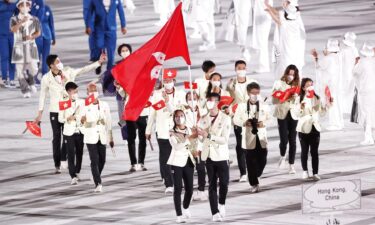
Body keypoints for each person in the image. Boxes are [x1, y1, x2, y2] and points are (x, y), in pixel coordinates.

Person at [35, 53, 106, 173]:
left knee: (68, 135)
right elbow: (42, 95)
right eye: (57, 62)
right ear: (51, 65)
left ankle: (64, 158)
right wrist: (39, 112)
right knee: (56, 137)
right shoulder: (46, 78)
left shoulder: (68, 72)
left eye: (59, 60)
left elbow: (83, 70)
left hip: (68, 110)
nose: (60, 62)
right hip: (55, 110)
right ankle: (57, 163)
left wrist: (98, 63)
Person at [145, 71, 186, 194]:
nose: (168, 83)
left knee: (178, 156)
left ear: (174, 81)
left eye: (170, 81)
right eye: (166, 81)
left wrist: (168, 102)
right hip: (162, 130)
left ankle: (178, 180)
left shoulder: (181, 94)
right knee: (165, 157)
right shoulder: (157, 94)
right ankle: (169, 183)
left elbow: (178, 112)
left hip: (178, 130)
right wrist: (148, 130)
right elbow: (152, 113)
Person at [197, 93, 231, 222]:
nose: (209, 103)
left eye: (212, 101)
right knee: (211, 184)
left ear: (217, 102)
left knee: (224, 183)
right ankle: (214, 212)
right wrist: (198, 134)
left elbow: (224, 140)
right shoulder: (203, 118)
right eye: (208, 101)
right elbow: (201, 138)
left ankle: (221, 203)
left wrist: (209, 135)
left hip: (221, 155)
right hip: (209, 155)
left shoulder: (225, 118)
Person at [233, 82, 270, 192]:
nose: (255, 95)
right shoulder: (241, 106)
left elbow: (270, 118)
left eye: (257, 93)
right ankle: (254, 183)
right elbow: (235, 120)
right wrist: (244, 123)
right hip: (248, 137)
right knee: (250, 161)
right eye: (253, 93)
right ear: (248, 93)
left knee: (263, 159)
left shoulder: (264, 105)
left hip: (261, 136)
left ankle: (257, 174)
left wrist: (263, 123)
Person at [226, 60, 257, 182]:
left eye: (243, 68)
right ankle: (243, 172)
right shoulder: (231, 84)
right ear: (235, 69)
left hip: (251, 117)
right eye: (239, 68)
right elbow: (227, 100)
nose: (241, 70)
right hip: (238, 118)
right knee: (240, 145)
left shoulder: (252, 82)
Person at [297, 78, 331, 181]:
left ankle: (315, 172)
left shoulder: (317, 98)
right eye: (308, 85)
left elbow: (321, 113)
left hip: (315, 128)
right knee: (304, 151)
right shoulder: (299, 99)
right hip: (303, 128)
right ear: (303, 88)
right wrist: (301, 107)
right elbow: (296, 114)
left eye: (311, 84)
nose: (310, 86)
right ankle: (305, 171)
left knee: (314, 152)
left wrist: (327, 106)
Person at [81, 83, 114, 193]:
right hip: (90, 137)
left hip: (102, 136)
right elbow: (81, 124)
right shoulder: (84, 105)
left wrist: (111, 137)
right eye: (90, 91)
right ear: (87, 93)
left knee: (102, 160)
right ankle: (98, 183)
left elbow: (108, 121)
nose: (93, 92)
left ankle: (96, 174)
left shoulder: (104, 105)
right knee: (94, 160)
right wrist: (84, 123)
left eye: (95, 90)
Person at [167, 109, 197, 223]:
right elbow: (177, 146)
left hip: (188, 161)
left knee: (190, 189)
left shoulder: (190, 129)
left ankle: (185, 207)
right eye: (177, 116)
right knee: (178, 189)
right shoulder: (172, 131)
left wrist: (195, 149)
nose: (179, 118)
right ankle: (179, 215)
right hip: (176, 163)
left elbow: (194, 143)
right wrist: (189, 138)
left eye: (181, 115)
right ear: (174, 119)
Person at [265, 0, 306, 79]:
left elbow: (278, 18)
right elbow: (278, 15)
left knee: (286, 61)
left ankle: (288, 80)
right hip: (293, 45)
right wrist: (269, 8)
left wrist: (269, 10)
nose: (283, 3)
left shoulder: (289, 16)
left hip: (288, 45)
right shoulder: (295, 15)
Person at [272, 64, 300, 174]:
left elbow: (301, 101)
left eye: (293, 74)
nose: (290, 76)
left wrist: (296, 98)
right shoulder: (278, 83)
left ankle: (291, 164)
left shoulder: (298, 85)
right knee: (284, 140)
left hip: (294, 114)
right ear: (286, 73)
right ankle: (283, 156)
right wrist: (284, 97)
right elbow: (274, 101)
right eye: (289, 73)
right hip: (282, 113)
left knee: (293, 140)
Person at [85, 0, 127, 74]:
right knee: (99, 46)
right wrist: (88, 25)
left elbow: (120, 10)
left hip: (111, 29)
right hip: (99, 28)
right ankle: (98, 63)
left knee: (111, 51)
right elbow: (89, 12)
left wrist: (123, 25)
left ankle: (109, 71)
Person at [10, 0, 41, 98]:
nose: (24, 7)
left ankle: (31, 80)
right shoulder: (14, 19)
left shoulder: (34, 19)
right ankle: (25, 90)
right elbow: (13, 30)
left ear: (29, 7)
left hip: (31, 46)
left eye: (27, 5)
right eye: (22, 5)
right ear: (18, 7)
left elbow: (38, 32)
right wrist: (21, 22)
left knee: (34, 68)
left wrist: (31, 37)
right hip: (19, 46)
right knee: (20, 70)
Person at [311, 39, 344, 131]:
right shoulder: (337, 57)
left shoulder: (328, 58)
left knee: (331, 104)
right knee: (336, 103)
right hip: (336, 85)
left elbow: (319, 67)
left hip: (329, 85)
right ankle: (339, 122)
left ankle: (335, 123)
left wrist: (316, 58)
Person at [58, 82, 84, 185]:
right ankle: (72, 176)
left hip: (80, 131)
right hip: (69, 132)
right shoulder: (64, 103)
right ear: (69, 92)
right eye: (74, 91)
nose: (76, 93)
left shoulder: (81, 102)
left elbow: (84, 115)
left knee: (80, 153)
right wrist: (67, 118)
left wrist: (78, 118)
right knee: (71, 154)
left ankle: (77, 171)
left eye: (77, 91)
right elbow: (60, 118)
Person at [183, 91, 208, 201]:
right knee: (189, 169)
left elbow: (207, 125)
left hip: (200, 143)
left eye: (194, 98)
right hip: (188, 143)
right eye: (189, 98)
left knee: (201, 168)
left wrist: (200, 130)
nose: (192, 100)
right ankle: (189, 191)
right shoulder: (183, 112)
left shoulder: (203, 112)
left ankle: (201, 190)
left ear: (198, 99)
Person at [352, 43, 375, 145]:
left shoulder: (362, 63)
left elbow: (354, 73)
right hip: (373, 90)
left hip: (365, 91)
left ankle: (368, 137)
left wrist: (355, 64)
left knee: (366, 114)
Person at [340, 32, 359, 114]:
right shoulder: (354, 49)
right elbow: (357, 60)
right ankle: (347, 107)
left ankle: (344, 107)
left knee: (344, 89)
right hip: (351, 72)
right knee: (350, 90)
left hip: (344, 72)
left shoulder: (343, 50)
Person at [252, 0, 273, 73]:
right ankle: (263, 65)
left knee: (262, 41)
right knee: (260, 40)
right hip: (260, 15)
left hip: (263, 16)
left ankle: (263, 66)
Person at [0, 0, 16, 88]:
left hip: (11, 35)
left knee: (12, 57)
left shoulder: (14, 5)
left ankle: (12, 79)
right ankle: (4, 78)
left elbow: (20, 13)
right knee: (4, 56)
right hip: (1, 35)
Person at [36, 4, 55, 77]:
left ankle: (45, 76)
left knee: (46, 57)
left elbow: (51, 23)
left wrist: (53, 37)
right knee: (36, 57)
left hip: (47, 35)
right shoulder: (32, 8)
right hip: (36, 36)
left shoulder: (47, 8)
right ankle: (35, 76)